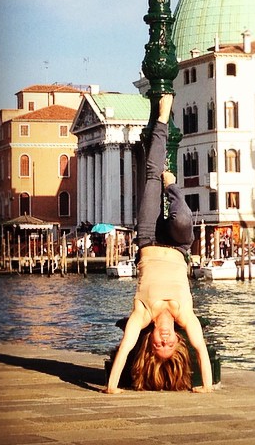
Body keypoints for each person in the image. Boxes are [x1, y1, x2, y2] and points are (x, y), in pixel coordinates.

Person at [105, 94, 212, 394]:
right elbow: (201, 350)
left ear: (150, 341)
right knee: (182, 219)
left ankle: (162, 119)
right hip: (178, 246)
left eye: (158, 345)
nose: (164, 340)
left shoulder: (142, 315)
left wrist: (112, 387)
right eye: (170, 345)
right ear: (178, 340)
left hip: (148, 238)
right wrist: (207, 386)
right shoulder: (185, 316)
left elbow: (125, 349)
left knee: (151, 176)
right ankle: (173, 185)